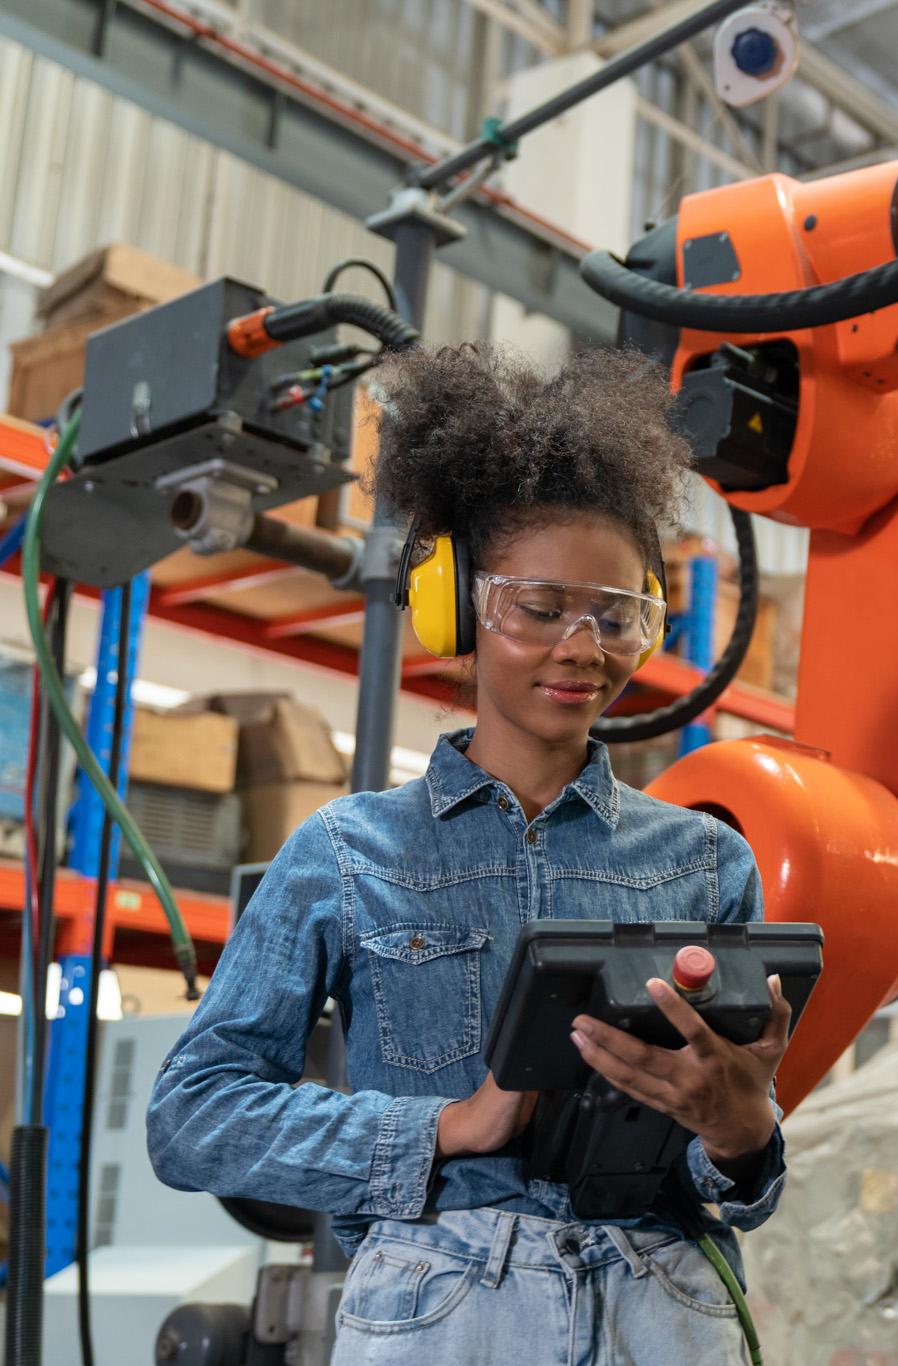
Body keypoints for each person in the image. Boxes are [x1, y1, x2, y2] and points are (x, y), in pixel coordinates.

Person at [148, 342, 783, 1364]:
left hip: (661, 1314)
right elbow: (192, 1119)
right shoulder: (347, 855)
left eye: (615, 617)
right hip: (445, 1315)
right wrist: (443, 1127)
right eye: (538, 610)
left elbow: (738, 1190)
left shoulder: (708, 860)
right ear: (456, 605)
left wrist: (740, 1128)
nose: (581, 647)